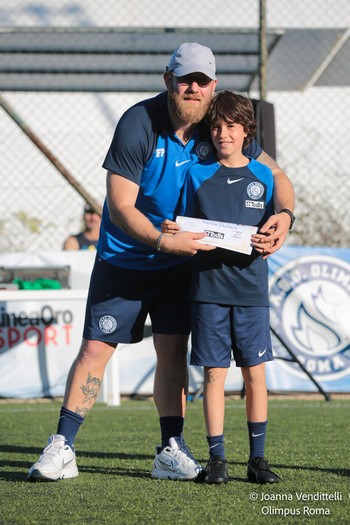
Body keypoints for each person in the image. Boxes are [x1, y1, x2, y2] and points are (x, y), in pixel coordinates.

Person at [27, 43, 294, 483]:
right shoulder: (139, 122)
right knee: (96, 350)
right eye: (185, 79)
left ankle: (170, 449)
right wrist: (159, 241)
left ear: (213, 86)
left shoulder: (219, 125)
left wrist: (284, 216)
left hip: (181, 264)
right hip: (126, 259)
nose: (193, 88)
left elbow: (278, 177)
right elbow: (119, 205)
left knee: (171, 353)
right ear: (168, 80)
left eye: (202, 81)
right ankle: (63, 446)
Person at [163, 90, 286, 484]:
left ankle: (258, 460)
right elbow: (184, 225)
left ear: (247, 130)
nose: (222, 134)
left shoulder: (265, 176)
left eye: (231, 126)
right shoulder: (196, 173)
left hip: (251, 291)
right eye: (215, 126)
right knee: (214, 376)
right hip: (208, 290)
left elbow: (274, 228)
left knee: (255, 375)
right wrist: (174, 231)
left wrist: (274, 234)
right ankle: (218, 460)